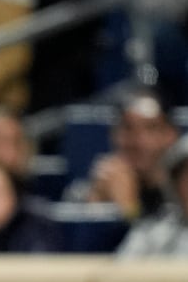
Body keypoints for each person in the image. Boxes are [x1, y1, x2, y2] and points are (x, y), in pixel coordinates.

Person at [73, 88, 180, 223]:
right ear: (113, 135)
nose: (138, 141)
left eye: (151, 128)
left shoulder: (184, 195)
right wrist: (96, 204)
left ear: (171, 135)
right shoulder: (84, 192)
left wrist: (128, 208)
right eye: (128, 128)